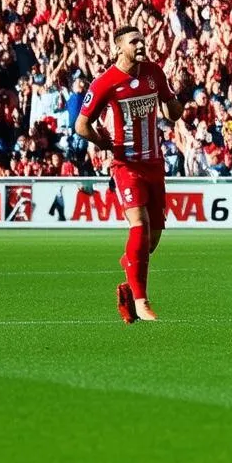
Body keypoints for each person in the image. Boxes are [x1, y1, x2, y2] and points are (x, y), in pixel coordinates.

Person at [74, 26, 184, 323]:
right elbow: (81, 125)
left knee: (152, 239)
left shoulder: (153, 73)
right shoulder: (105, 83)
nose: (141, 44)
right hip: (126, 165)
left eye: (142, 39)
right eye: (134, 41)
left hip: (155, 164)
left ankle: (129, 279)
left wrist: (178, 95)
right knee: (140, 224)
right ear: (119, 47)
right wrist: (103, 143)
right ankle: (141, 301)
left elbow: (173, 114)